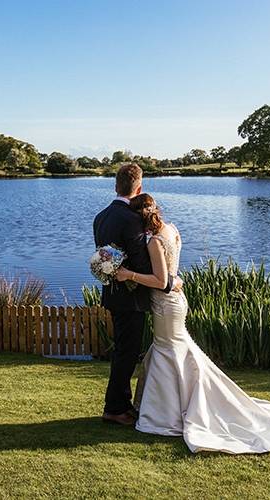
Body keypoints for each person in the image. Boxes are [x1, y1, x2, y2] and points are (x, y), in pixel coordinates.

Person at [115, 193, 270, 454]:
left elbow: (162, 281)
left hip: (165, 303)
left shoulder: (153, 242)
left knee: (170, 351)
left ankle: (169, 414)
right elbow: (174, 273)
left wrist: (129, 274)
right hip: (178, 300)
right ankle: (181, 404)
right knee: (176, 350)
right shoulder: (172, 230)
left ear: (140, 219)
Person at [92, 164, 180, 425]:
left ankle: (120, 404)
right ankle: (116, 408)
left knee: (123, 351)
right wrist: (169, 282)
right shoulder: (133, 220)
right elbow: (143, 263)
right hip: (131, 298)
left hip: (112, 293)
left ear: (115, 186)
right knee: (126, 353)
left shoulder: (101, 217)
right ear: (138, 188)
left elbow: (105, 256)